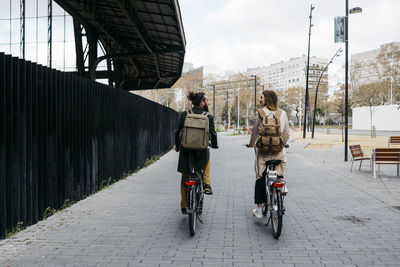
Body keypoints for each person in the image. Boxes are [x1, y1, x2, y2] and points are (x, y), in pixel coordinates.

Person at [246, 90, 289, 218]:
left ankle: (259, 211)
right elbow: (286, 133)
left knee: (260, 177)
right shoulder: (283, 113)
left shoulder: (261, 113)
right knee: (280, 168)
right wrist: (282, 144)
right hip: (278, 152)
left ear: (267, 99)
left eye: (261, 97)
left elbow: (254, 131)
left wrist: (251, 143)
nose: (259, 99)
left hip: (263, 153)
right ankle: (281, 183)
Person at [175, 92, 218, 214]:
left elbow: (177, 132)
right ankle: (206, 184)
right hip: (201, 153)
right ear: (202, 103)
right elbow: (213, 133)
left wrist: (178, 146)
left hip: (186, 151)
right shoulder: (208, 116)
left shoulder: (185, 114)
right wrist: (214, 145)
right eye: (207, 100)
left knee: (185, 177)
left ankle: (184, 204)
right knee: (207, 160)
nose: (208, 102)